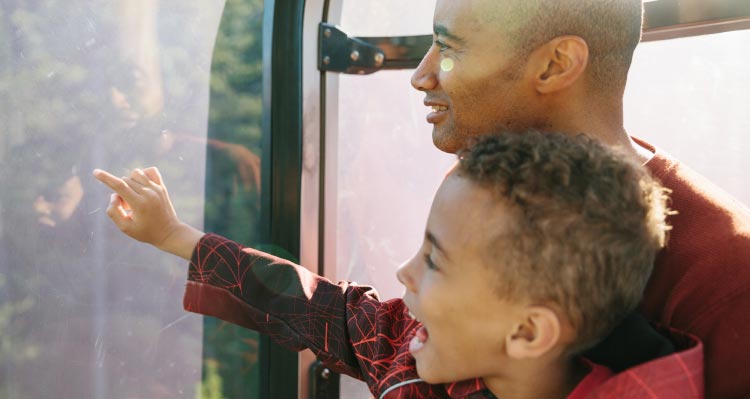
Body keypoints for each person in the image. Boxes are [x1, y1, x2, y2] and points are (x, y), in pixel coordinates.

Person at [93, 131, 703, 398]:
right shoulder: (413, 353)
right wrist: (177, 237)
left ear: (526, 331)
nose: (403, 271)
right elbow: (319, 306)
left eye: (434, 260)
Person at [409, 1, 750, 397]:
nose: (421, 76)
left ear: (556, 64)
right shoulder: (487, 193)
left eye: (448, 48)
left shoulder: (727, 275)